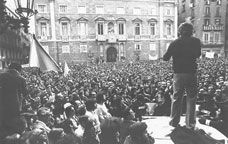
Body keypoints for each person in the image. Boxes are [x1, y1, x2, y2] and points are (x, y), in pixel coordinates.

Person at [163, 22, 201, 129]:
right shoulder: (196, 41)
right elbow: (198, 54)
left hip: (178, 74)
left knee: (177, 97)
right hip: (191, 73)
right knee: (191, 98)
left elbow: (166, 57)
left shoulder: (175, 43)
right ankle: (190, 124)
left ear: (180, 31)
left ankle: (174, 122)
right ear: (191, 31)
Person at [0, 63, 27, 138]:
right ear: (19, 70)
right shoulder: (21, 79)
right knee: (12, 125)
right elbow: (25, 93)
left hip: (1, 105)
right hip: (14, 107)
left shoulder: (1, 76)